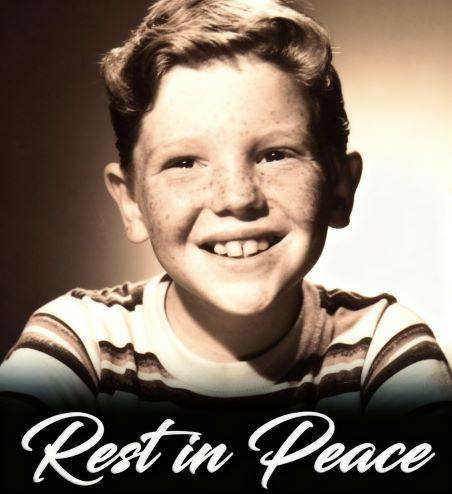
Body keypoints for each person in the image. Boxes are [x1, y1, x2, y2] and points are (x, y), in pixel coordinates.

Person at [0, 0, 451, 417]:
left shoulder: (382, 349)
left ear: (340, 186)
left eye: (274, 155)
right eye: (183, 163)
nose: (236, 197)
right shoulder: (80, 342)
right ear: (131, 201)